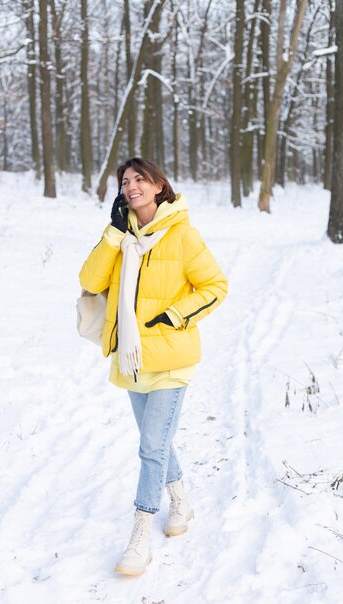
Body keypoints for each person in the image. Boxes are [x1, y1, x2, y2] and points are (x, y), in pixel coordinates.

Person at [79, 157, 228, 576]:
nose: (130, 187)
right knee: (156, 440)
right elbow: (90, 282)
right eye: (125, 181)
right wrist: (113, 233)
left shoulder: (182, 235)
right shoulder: (121, 237)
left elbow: (216, 286)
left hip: (171, 359)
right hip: (132, 359)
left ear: (159, 185)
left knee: (150, 447)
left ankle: (140, 537)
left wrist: (176, 315)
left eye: (139, 179)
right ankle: (181, 500)